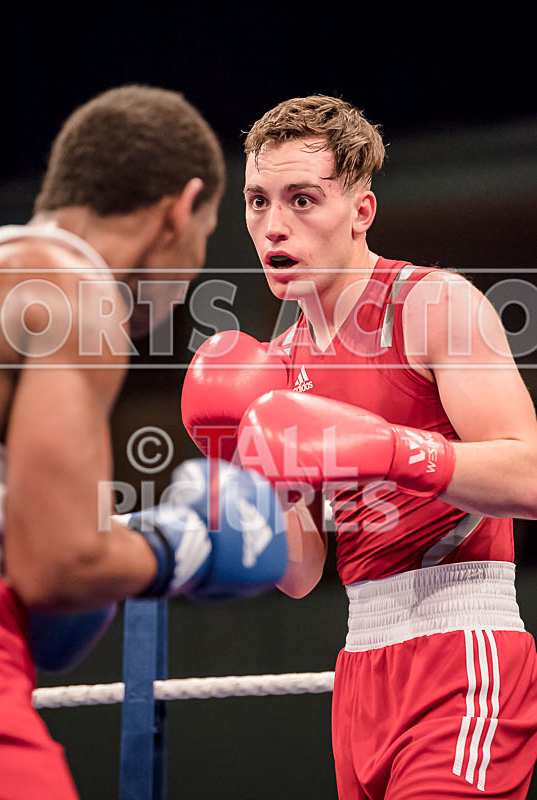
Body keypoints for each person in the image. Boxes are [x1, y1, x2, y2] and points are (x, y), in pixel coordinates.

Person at [181, 95, 537, 798]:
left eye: (302, 199)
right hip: (360, 667)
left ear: (360, 211)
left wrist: (391, 449)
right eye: (257, 201)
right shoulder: (276, 364)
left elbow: (529, 475)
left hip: (463, 650)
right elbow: (301, 574)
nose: (273, 225)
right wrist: (235, 457)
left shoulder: (432, 305)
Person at [0, 85, 287, 800]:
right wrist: (183, 544)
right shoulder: (75, 291)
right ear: (180, 210)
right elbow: (58, 566)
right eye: (206, 234)